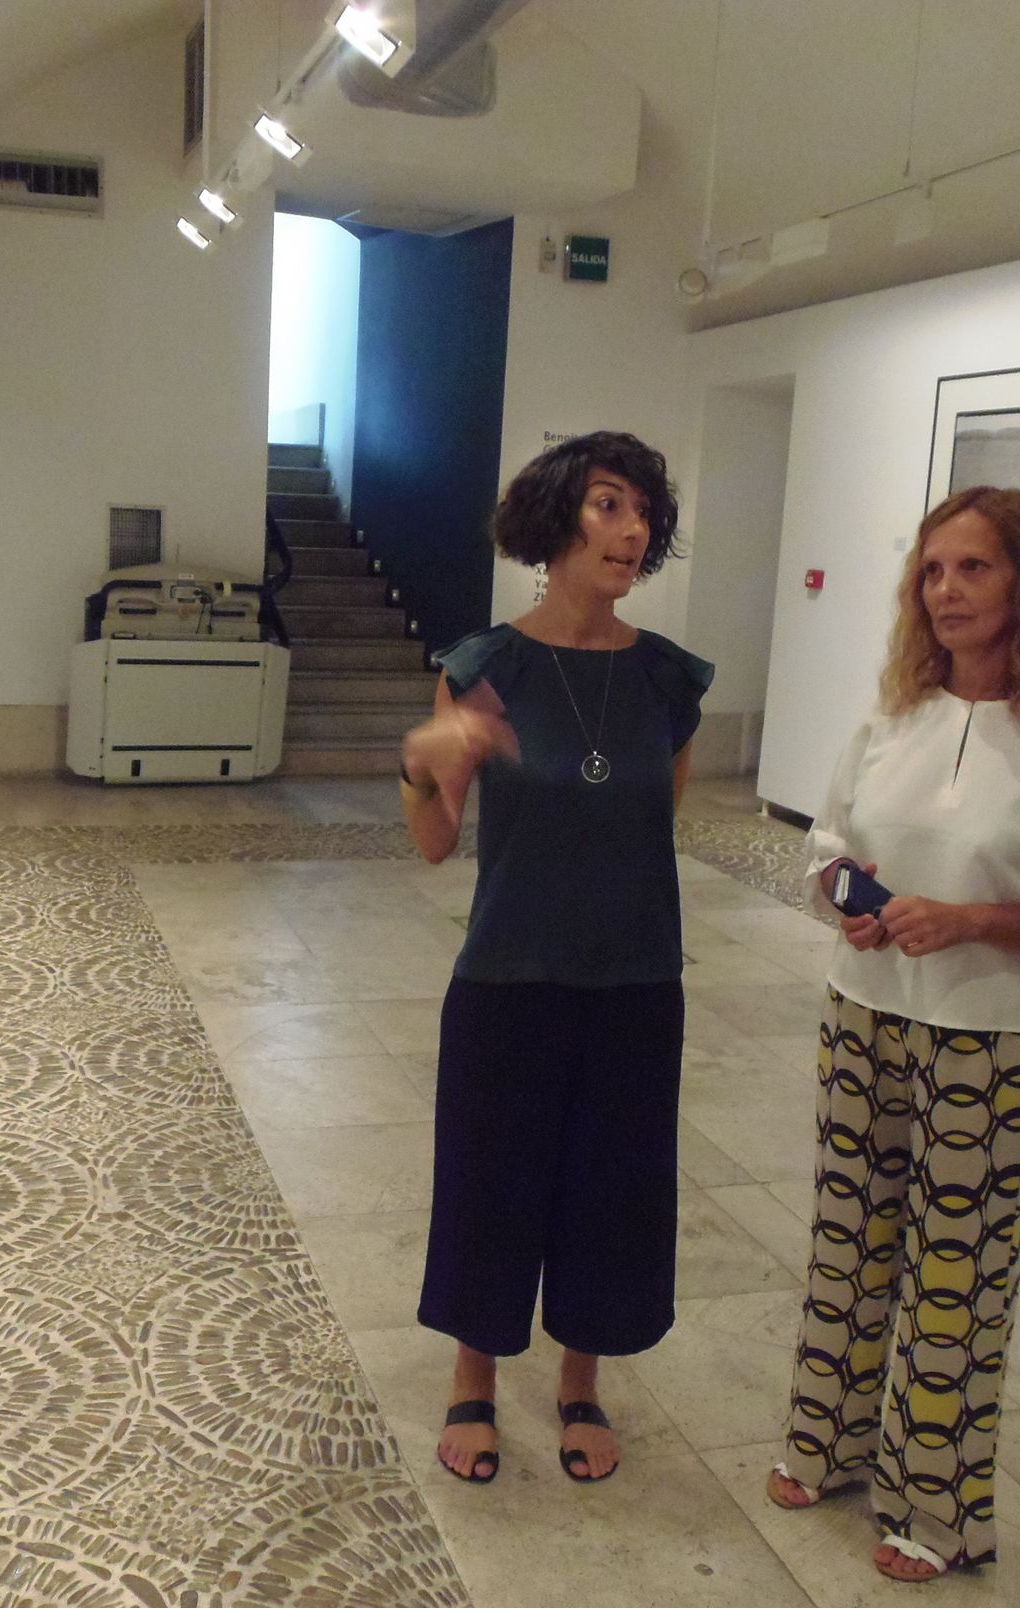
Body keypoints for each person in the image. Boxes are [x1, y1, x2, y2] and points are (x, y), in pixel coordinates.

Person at [766, 486, 1020, 1582]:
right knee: (847, 1240)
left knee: (955, 1271)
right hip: (863, 1011)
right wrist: (849, 897)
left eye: (972, 568)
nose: (945, 591)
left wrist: (968, 919)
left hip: (987, 1038)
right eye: (931, 571)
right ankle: (824, 1444)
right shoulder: (893, 714)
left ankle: (936, 1511)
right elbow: (827, 843)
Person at [399, 431, 713, 1486]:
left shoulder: (667, 681)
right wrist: (421, 764)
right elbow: (434, 840)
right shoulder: (484, 669)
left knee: (611, 1189)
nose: (631, 529)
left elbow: (652, 825)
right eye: (608, 504)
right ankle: (473, 1381)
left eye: (642, 512)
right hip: (508, 977)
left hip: (635, 979)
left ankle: (582, 1381)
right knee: (489, 1183)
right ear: (554, 521)